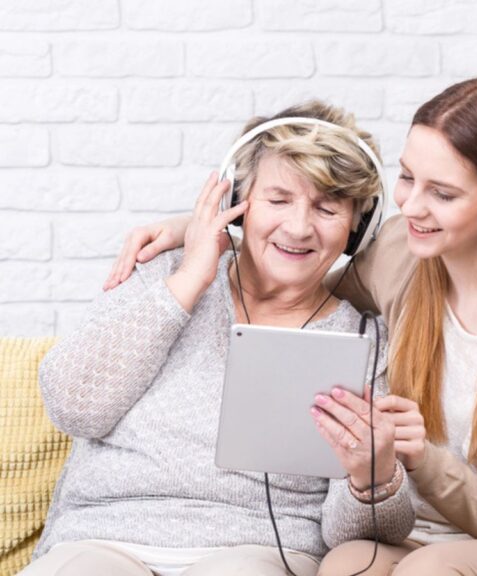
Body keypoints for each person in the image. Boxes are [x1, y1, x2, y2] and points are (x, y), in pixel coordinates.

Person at [104, 78, 477, 576]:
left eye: (442, 193)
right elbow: (303, 267)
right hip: (418, 534)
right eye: (407, 177)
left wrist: (421, 459)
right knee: (344, 565)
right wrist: (201, 233)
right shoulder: (402, 255)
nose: (410, 205)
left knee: (432, 569)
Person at [25, 102, 414, 576]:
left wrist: (370, 477)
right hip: (104, 536)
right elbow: (71, 405)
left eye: (327, 207)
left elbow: (352, 537)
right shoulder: (161, 274)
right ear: (237, 204)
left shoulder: (362, 340)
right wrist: (189, 279)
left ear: (358, 225)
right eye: (278, 200)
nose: (298, 227)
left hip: (256, 551)